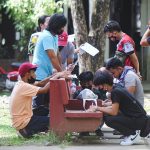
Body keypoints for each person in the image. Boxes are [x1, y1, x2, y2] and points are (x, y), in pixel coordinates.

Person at [88, 70, 150, 146]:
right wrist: (106, 104)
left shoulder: (115, 92)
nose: (99, 87)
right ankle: (131, 133)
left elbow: (114, 112)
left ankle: (133, 134)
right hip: (140, 118)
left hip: (137, 120)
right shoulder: (117, 87)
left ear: (104, 84)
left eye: (99, 85)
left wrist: (97, 108)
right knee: (107, 115)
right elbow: (118, 104)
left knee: (109, 120)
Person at [10, 62, 70, 138]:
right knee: (54, 121)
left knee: (43, 110)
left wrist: (55, 75)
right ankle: (25, 131)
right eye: (33, 73)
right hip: (23, 122)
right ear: (27, 74)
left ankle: (31, 128)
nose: (35, 75)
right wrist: (58, 75)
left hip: (22, 119)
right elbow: (44, 90)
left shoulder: (22, 83)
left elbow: (41, 83)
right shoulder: (24, 86)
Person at [32, 13, 67, 81]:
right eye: (61, 26)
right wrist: (62, 74)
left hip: (47, 74)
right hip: (39, 75)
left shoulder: (55, 36)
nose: (63, 29)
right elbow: (53, 58)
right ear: (56, 25)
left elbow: (57, 54)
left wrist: (62, 71)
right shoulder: (47, 36)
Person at [73, 71, 106, 137]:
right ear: (80, 83)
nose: (86, 85)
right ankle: (84, 129)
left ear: (92, 82)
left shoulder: (97, 93)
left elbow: (102, 104)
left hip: (96, 116)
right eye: (84, 83)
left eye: (88, 83)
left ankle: (97, 127)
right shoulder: (77, 94)